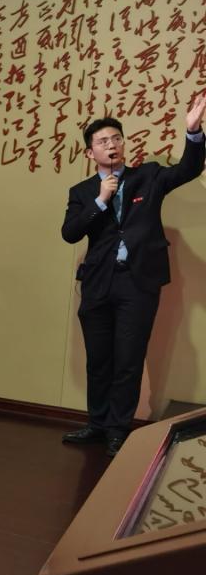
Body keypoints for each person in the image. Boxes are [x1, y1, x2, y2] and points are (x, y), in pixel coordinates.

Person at [61, 94, 206, 457]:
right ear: (90, 153)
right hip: (98, 283)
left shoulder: (149, 176)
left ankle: (117, 428)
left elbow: (188, 169)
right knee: (99, 360)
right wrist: (100, 201)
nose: (111, 144)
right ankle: (97, 423)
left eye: (116, 138)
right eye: (102, 141)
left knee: (128, 359)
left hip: (137, 283)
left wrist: (193, 132)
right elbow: (70, 233)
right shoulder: (82, 192)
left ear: (123, 144)